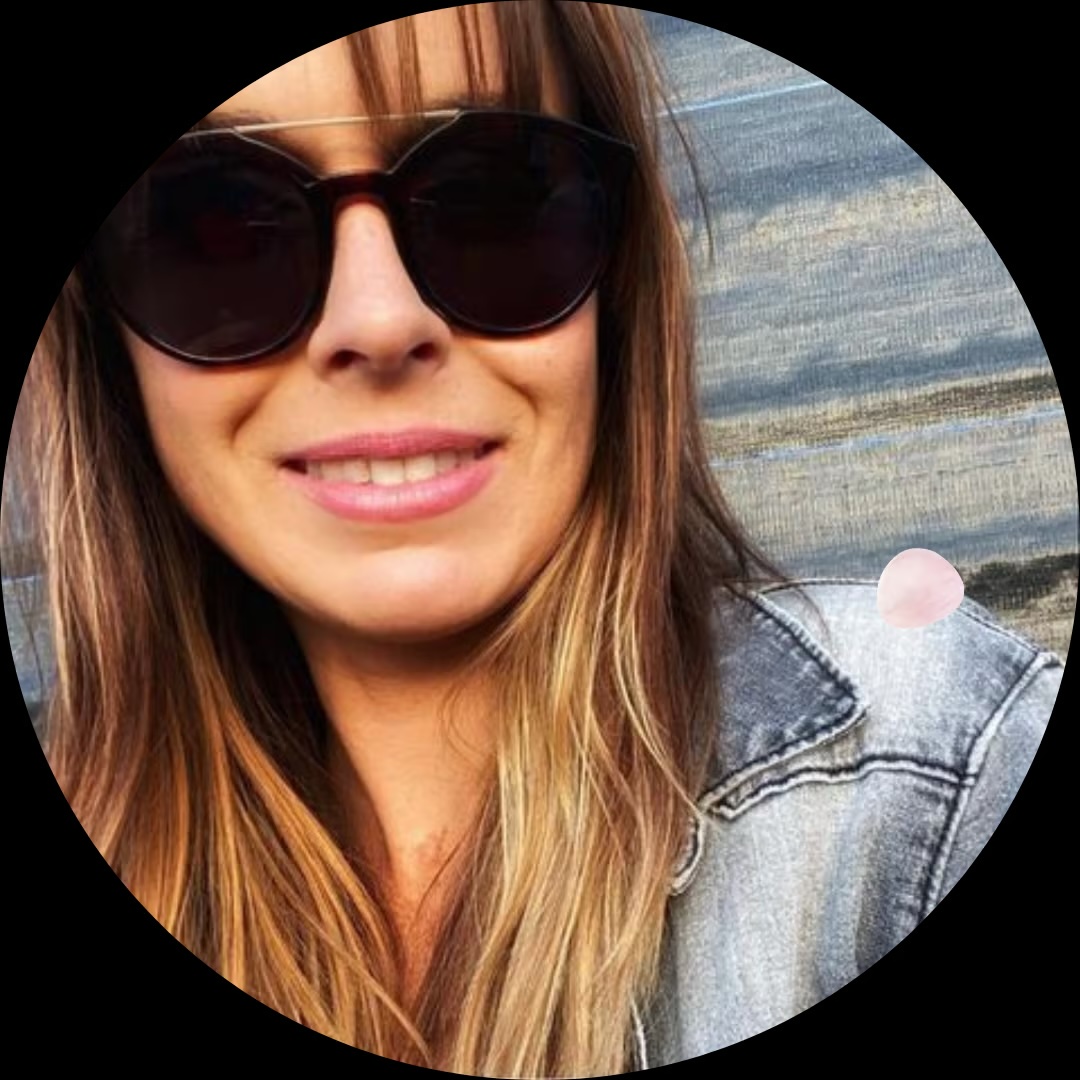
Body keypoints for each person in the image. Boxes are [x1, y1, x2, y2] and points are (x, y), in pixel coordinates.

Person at [8, 4, 1062, 1074]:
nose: (379, 322)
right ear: (106, 345)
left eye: (491, 201)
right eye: (217, 228)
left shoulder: (927, 778)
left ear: (616, 281)